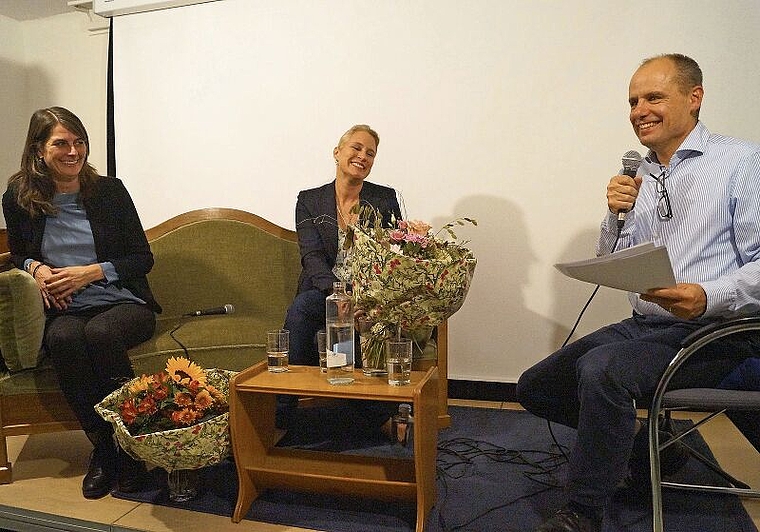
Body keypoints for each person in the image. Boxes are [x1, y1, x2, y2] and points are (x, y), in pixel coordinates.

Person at [517, 54, 760, 532]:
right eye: (633, 101)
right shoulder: (638, 175)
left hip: (717, 330)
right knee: (536, 386)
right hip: (647, 325)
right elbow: (616, 258)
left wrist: (708, 295)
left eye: (653, 97)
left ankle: (583, 513)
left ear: (695, 99)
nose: (638, 110)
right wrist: (614, 213)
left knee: (602, 370)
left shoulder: (742, 162)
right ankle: (647, 449)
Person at [2, 107, 161, 499]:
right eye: (61, 143)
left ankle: (131, 448)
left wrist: (90, 272)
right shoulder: (18, 197)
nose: (73, 151)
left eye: (79, 142)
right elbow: (19, 252)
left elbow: (142, 258)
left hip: (122, 301)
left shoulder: (110, 191)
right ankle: (105, 450)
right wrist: (36, 269)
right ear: (39, 149)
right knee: (66, 340)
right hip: (64, 306)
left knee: (101, 333)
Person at [279, 124, 402, 430]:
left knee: (350, 325)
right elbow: (312, 258)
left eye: (370, 153)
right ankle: (281, 413)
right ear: (337, 152)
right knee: (303, 309)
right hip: (324, 291)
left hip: (369, 294)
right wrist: (340, 294)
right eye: (356, 148)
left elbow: (392, 255)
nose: (363, 156)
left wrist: (363, 296)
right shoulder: (309, 200)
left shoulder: (384, 199)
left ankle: (378, 418)